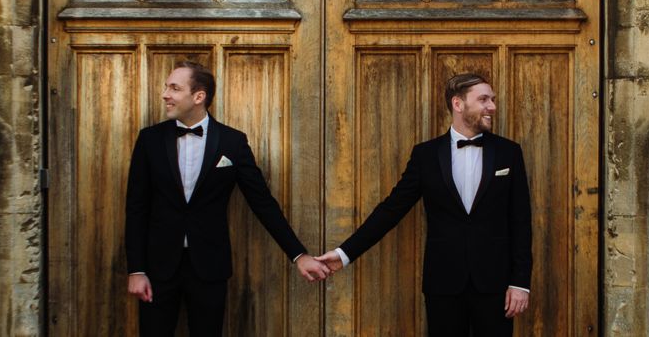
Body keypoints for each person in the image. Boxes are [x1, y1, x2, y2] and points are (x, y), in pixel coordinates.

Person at [317, 73, 532, 336]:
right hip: (443, 282)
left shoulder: (509, 152)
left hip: (496, 284)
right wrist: (344, 254)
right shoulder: (426, 155)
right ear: (458, 103)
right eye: (484, 99)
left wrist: (520, 283)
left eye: (493, 99)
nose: (492, 107)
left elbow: (521, 221)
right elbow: (391, 210)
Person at [125, 61, 329, 336]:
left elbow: (262, 203)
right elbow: (136, 207)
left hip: (209, 266)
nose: (165, 94)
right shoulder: (149, 140)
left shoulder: (232, 143)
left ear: (199, 97)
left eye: (174, 88)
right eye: (166, 87)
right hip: (157, 268)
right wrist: (136, 270)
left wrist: (298, 254)